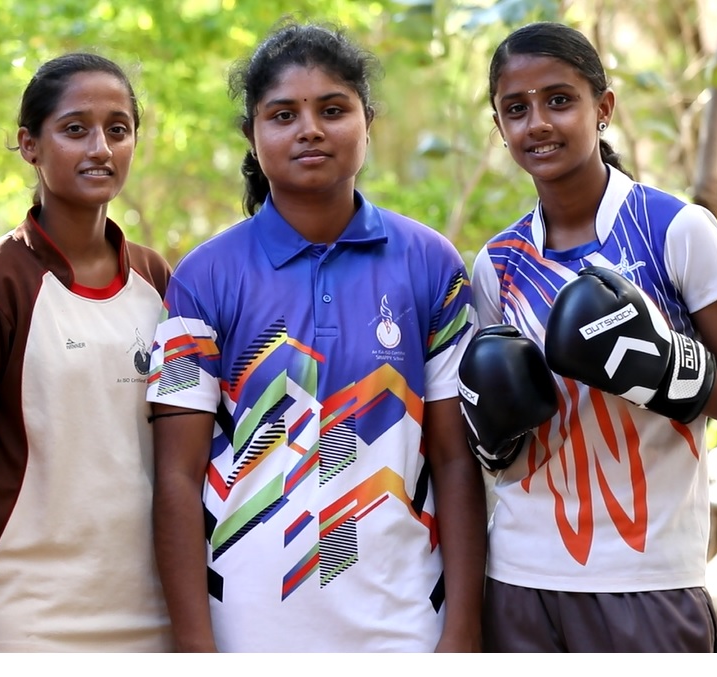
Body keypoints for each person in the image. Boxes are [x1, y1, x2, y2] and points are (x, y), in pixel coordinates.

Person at [146, 21, 488, 652]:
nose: (310, 129)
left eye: (333, 110)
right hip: (246, 624)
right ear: (251, 135)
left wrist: (461, 631)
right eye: (283, 114)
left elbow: (453, 458)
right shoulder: (202, 278)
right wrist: (196, 648)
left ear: (368, 123)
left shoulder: (431, 264)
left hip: (404, 619)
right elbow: (176, 475)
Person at [464, 21, 717, 652]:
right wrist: (494, 434)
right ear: (500, 129)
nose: (538, 123)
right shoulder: (497, 263)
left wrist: (665, 368)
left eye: (559, 99)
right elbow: (494, 453)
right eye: (516, 109)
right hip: (519, 580)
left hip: (650, 578)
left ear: (602, 108)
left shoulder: (675, 229)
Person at [0, 52, 174, 652]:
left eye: (118, 130)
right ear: (29, 145)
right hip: (32, 618)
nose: (100, 147)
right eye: (75, 129)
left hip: (156, 613)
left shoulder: (158, 278)